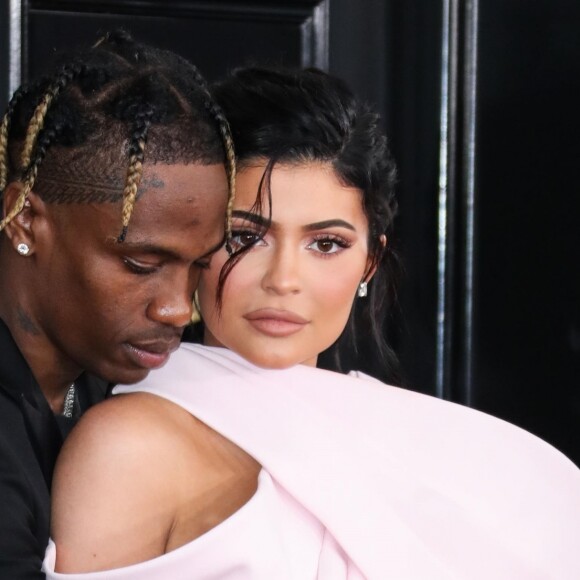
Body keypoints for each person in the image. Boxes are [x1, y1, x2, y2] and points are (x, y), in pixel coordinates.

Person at [44, 68, 580, 579]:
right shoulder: (128, 444)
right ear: (196, 244)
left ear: (369, 261)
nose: (284, 280)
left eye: (326, 244)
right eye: (245, 236)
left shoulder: (435, 445)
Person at [0, 29, 235, 579]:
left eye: (199, 265)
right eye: (141, 265)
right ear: (25, 220)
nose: (180, 310)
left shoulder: (117, 372)